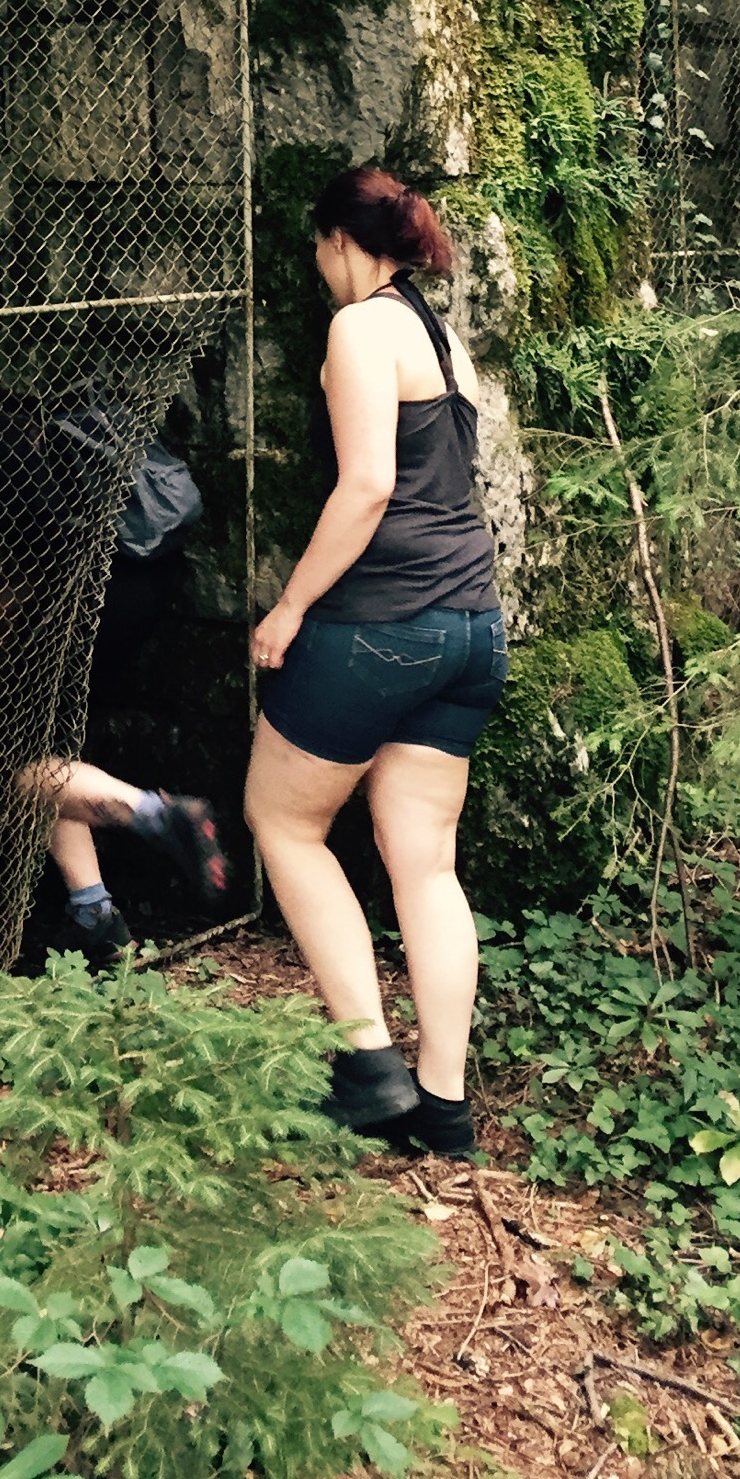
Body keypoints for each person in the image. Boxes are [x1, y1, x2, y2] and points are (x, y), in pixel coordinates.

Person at [245, 164, 505, 1159]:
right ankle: (443, 1103)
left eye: (319, 249)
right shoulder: (445, 339)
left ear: (343, 244)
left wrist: (291, 608)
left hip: (381, 624)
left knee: (282, 817)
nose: (318, 270)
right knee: (425, 862)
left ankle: (369, 1068)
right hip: (471, 628)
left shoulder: (359, 331)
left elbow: (366, 489)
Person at [0, 354, 229, 967]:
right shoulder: (16, 412)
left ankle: (159, 817)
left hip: (90, 600)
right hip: (143, 578)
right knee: (45, 745)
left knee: (13, 762)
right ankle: (94, 915)